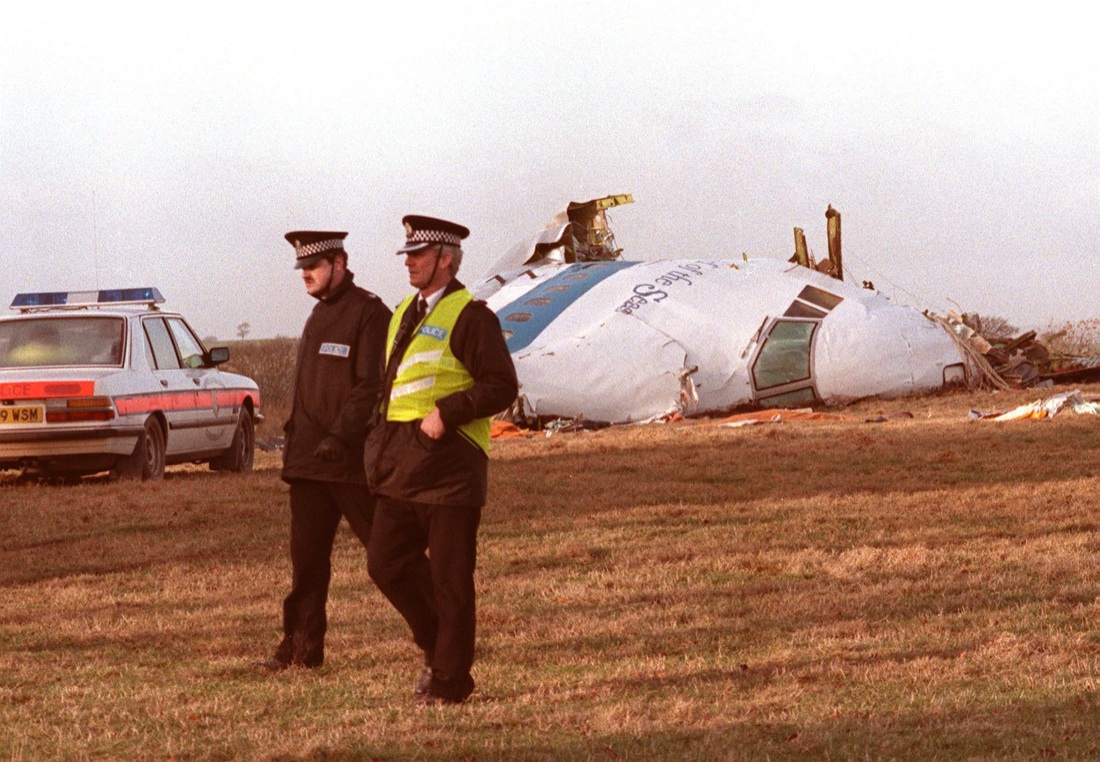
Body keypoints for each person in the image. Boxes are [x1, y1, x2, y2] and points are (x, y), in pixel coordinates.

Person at [365, 215, 518, 705]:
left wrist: (447, 415)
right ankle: (437, 648)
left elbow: (501, 385)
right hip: (402, 467)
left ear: (445, 260)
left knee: (450, 582)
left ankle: (451, 681)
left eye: (418, 255)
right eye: (407, 255)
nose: (408, 262)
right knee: (385, 563)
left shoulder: (472, 316)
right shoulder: (401, 313)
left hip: (450, 469)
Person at [257, 230, 391, 671]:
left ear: (340, 261)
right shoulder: (317, 317)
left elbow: (370, 387)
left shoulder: (370, 314)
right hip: (311, 465)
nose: (305, 274)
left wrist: (341, 438)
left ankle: (442, 638)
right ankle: (299, 649)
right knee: (307, 566)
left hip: (350, 464)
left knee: (390, 557)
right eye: (301, 267)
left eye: (312, 266)